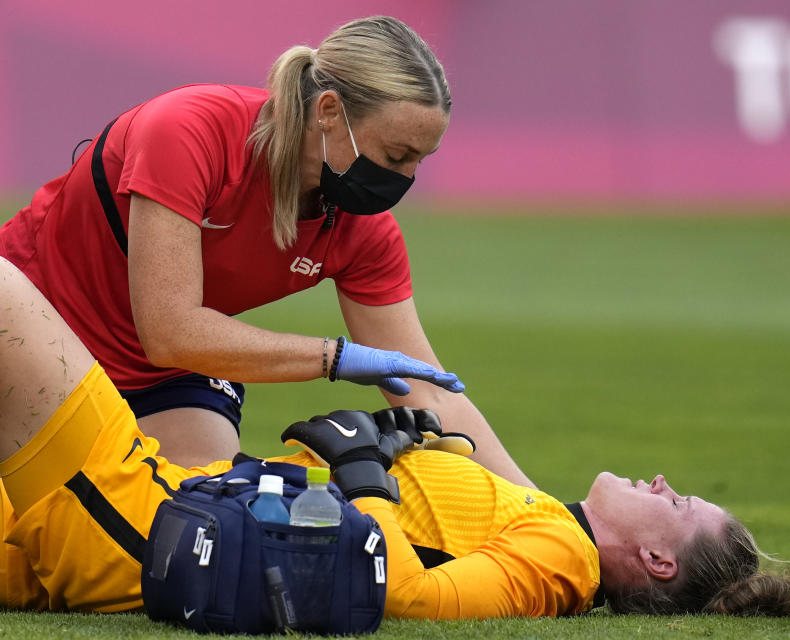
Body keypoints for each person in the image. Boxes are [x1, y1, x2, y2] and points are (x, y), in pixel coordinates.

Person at [0, 257, 790, 618]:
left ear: (658, 563)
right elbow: (427, 530)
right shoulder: (543, 518)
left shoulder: (563, 563)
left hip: (158, 525)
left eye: (682, 503)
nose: (663, 481)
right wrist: (393, 445)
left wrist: (363, 470)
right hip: (182, 507)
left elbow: (407, 593)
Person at [0, 16, 532, 486]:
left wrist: (554, 518)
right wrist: (335, 357)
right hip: (36, 332)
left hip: (167, 376)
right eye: (396, 155)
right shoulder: (188, 131)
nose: (407, 179)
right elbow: (169, 331)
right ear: (328, 110)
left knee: (198, 518)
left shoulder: (366, 232)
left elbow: (433, 397)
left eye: (421, 160)